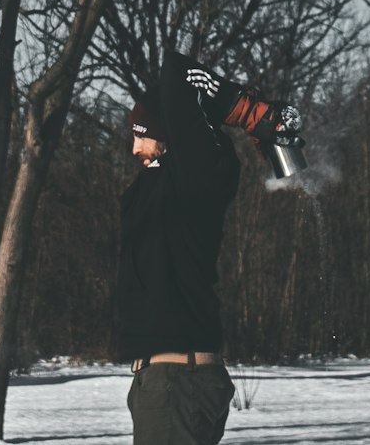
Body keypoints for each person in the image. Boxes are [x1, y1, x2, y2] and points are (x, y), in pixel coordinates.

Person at [115, 48, 297, 445]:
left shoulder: (194, 177)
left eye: (139, 137)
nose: (134, 149)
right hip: (170, 382)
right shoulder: (168, 185)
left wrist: (253, 115)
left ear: (165, 136)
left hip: (176, 384)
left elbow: (176, 72)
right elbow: (170, 95)